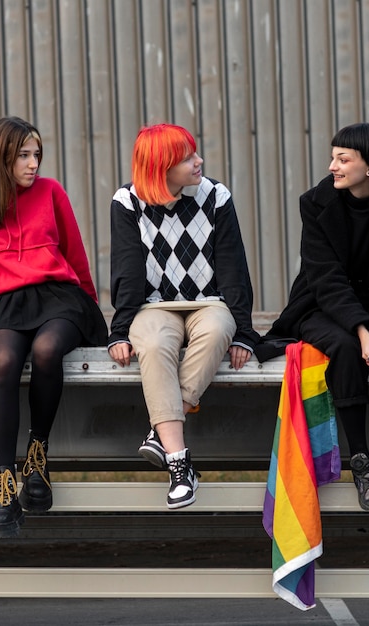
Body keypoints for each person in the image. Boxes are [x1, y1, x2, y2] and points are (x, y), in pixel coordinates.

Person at [0, 116, 107, 540]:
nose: (33, 163)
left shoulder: (52, 192)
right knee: (3, 360)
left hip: (59, 297)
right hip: (6, 304)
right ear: (1, 156)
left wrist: (94, 313)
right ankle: (4, 485)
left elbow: (75, 255)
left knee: (46, 351)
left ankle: (37, 454)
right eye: (23, 155)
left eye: (36, 154)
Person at [256, 122, 369, 511]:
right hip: (321, 307)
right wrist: (363, 329)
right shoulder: (316, 204)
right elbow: (325, 278)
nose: (332, 165)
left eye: (342, 158)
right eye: (333, 157)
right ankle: (363, 462)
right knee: (347, 349)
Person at [108, 123, 259, 510]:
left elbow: (233, 267)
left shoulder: (214, 195)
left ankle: (162, 435)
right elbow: (127, 269)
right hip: (153, 306)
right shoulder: (127, 202)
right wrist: (121, 330)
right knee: (154, 344)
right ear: (162, 167)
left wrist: (242, 332)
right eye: (188, 157)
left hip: (209, 301)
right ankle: (180, 465)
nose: (199, 161)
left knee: (216, 330)